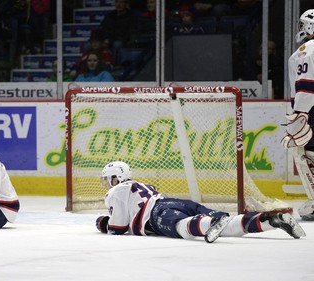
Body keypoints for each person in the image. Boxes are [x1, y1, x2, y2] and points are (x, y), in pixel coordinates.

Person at [96, 161, 305, 243]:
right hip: (173, 202)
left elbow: (118, 228)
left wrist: (102, 223)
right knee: (226, 224)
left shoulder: (115, 191)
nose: (107, 184)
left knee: (182, 228)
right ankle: (271, 220)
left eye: (108, 179)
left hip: (156, 214)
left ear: (115, 178)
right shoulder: (140, 185)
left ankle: (208, 223)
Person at [282, 9, 314, 221]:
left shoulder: (306, 50)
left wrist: (300, 115)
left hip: (311, 109)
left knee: (304, 152)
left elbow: (306, 88)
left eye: (303, 25)